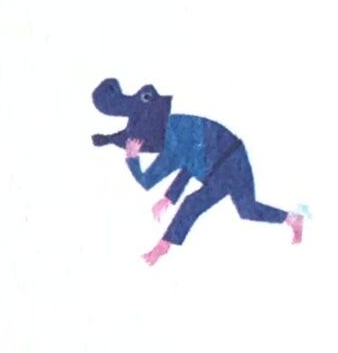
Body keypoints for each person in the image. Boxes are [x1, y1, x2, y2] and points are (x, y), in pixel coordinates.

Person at [90, 78, 306, 264]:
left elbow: (149, 180)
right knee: (245, 209)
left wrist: (132, 159)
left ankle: (164, 246)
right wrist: (168, 198)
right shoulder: (174, 130)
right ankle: (293, 218)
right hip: (223, 162)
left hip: (228, 159)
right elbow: (188, 165)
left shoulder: (174, 135)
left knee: (211, 205)